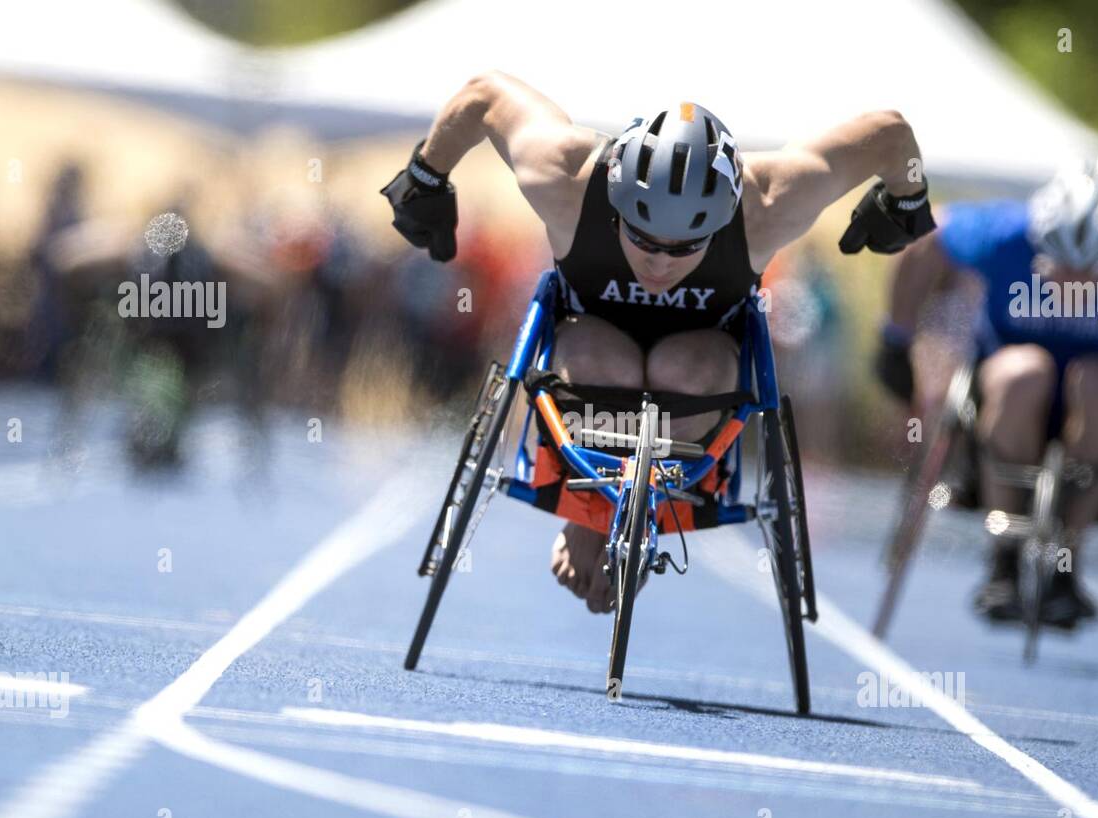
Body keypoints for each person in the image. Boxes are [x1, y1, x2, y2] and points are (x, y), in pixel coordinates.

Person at [382, 70, 935, 612]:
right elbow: (484, 95)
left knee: (686, 366)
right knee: (602, 357)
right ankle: (588, 511)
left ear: (721, 223)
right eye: (642, 237)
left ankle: (649, 511)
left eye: (683, 248)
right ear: (615, 198)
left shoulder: (768, 202)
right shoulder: (567, 176)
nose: (658, 261)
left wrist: (906, 201)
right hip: (590, 345)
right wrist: (426, 174)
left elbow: (889, 132)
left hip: (701, 357)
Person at [875, 152, 1098, 629]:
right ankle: (1005, 557)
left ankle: (1064, 564)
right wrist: (895, 339)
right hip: (1008, 397)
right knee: (1026, 372)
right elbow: (927, 238)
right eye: (1061, 266)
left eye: (1093, 272)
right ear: (1040, 243)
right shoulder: (1003, 234)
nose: (1075, 282)